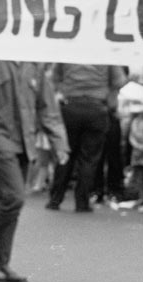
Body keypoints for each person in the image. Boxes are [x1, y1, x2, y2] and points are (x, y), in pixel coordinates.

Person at [0, 59, 69, 282]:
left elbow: (47, 107)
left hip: (25, 140)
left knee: (12, 203)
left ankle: (2, 262)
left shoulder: (34, 62)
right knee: (14, 197)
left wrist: (59, 143)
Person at [46, 63, 125, 212]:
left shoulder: (70, 51)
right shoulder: (106, 54)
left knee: (65, 153)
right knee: (89, 159)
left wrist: (62, 90)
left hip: (70, 106)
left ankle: (55, 198)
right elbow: (119, 81)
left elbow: (52, 77)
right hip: (96, 108)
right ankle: (82, 201)